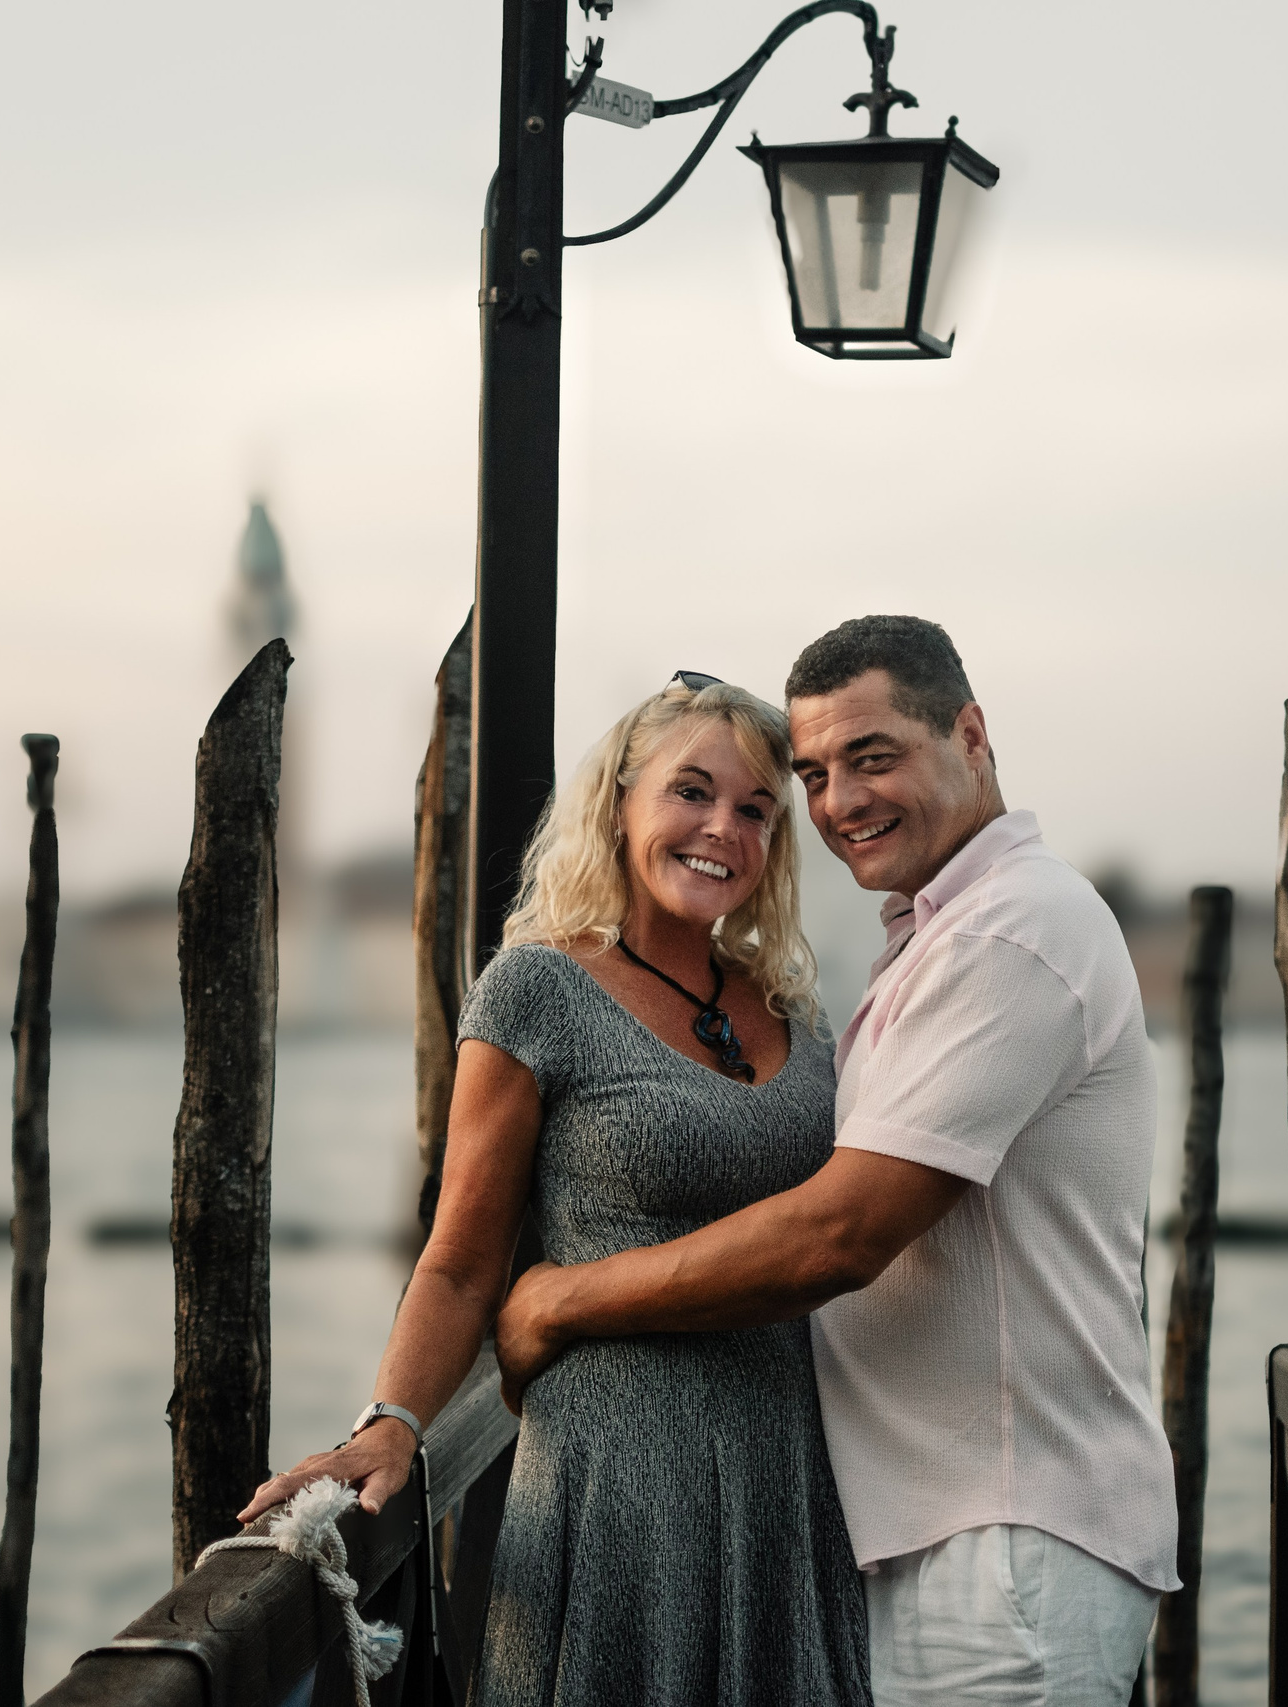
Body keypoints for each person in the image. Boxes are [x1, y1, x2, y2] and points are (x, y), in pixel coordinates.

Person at [498, 616, 1177, 1707]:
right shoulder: (939, 939)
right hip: (936, 1536)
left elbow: (838, 1233)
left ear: (970, 734)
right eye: (812, 775)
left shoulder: (1010, 935)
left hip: (1000, 1547)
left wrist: (554, 1303)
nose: (838, 804)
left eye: (872, 757)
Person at [239, 674, 869, 1707]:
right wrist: (392, 1418)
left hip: (788, 1475)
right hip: (616, 1476)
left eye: (756, 809)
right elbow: (459, 1259)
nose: (724, 828)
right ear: (619, 803)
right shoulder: (536, 990)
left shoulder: (797, 1011)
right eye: (691, 792)